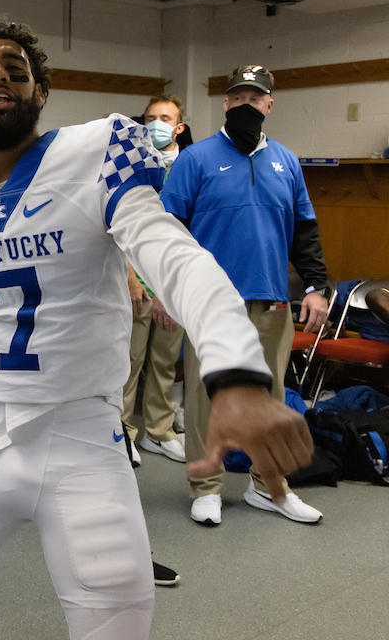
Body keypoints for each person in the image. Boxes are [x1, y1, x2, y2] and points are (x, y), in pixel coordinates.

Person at [0, 18, 314, 640]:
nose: (0, 71)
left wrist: (238, 375)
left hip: (80, 440)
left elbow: (177, 260)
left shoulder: (97, 153)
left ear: (40, 91)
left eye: (16, 65)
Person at [162, 65, 330, 526]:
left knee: (271, 395)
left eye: (255, 99)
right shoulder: (194, 159)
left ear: (269, 105)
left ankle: (267, 487)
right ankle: (206, 487)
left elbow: (305, 231)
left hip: (272, 299)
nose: (245, 105)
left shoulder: (287, 161)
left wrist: (316, 286)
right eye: (238, 97)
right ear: (225, 103)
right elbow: (168, 229)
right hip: (208, 300)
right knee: (203, 393)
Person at [123, 94, 188, 465]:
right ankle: (124, 434)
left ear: (179, 127)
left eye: (165, 117)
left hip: (173, 281)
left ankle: (159, 432)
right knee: (128, 362)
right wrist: (131, 278)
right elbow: (118, 227)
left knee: (164, 362)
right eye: (150, 117)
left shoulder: (190, 167)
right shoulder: (130, 165)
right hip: (134, 281)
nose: (156, 123)